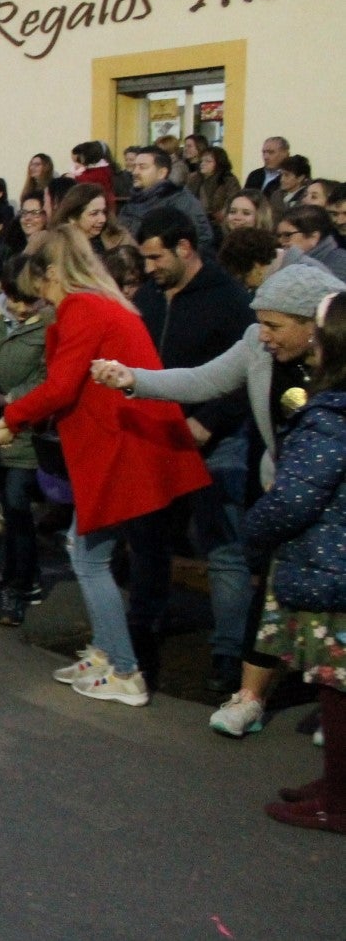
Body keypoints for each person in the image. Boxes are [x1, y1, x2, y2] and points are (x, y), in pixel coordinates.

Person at [91, 264, 346, 736]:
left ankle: (333, 711)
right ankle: (250, 697)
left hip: (333, 504)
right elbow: (202, 380)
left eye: (274, 325)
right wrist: (134, 380)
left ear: (313, 324)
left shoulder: (337, 367)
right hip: (288, 488)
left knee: (333, 610)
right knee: (274, 598)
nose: (263, 334)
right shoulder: (256, 346)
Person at [0, 233, 210, 705]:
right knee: (89, 551)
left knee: (88, 557)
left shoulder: (83, 309)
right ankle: (109, 652)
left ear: (53, 273)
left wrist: (11, 418)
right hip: (131, 444)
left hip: (122, 448)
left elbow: (60, 387)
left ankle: (124, 668)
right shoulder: (99, 305)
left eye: (38, 281)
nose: (37, 292)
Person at [133, 208, 256, 691]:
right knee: (150, 540)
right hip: (159, 437)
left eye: (156, 257)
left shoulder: (230, 300)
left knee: (223, 548)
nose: (149, 268)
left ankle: (228, 655)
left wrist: (209, 421)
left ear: (185, 248)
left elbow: (247, 373)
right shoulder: (149, 297)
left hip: (217, 441)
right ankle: (144, 630)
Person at [245, 294, 346, 833]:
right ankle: (334, 784)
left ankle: (339, 800)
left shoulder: (331, 418)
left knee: (337, 689)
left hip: (333, 570)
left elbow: (293, 499)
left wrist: (254, 533)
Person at [0, 255, 54, 625]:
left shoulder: (50, 323)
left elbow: (49, 376)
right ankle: (25, 577)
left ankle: (14, 588)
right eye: (15, 299)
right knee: (10, 503)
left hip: (26, 430)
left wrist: (10, 399)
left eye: (29, 301)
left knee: (17, 506)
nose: (20, 309)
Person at [117, 147, 215, 255]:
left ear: (161, 173)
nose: (135, 172)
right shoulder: (133, 201)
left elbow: (202, 239)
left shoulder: (181, 201)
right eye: (135, 166)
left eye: (142, 167)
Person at [277, 205, 346, 280]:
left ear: (313, 236)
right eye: (279, 236)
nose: (280, 241)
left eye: (287, 235)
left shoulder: (341, 263)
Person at [197, 146, 242, 232]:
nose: (202, 164)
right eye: (201, 161)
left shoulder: (228, 180)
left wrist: (222, 213)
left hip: (221, 225)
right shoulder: (195, 179)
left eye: (208, 161)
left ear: (219, 163)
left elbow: (234, 201)